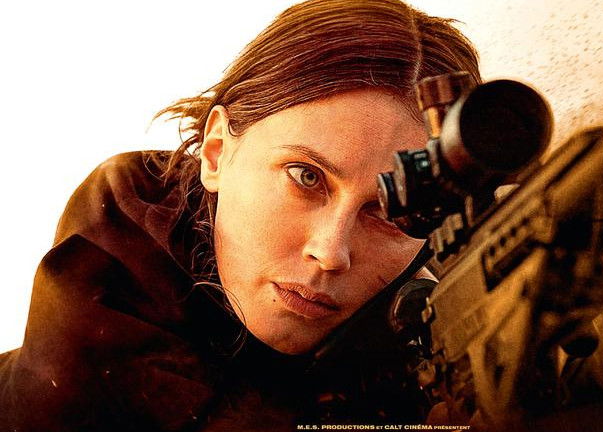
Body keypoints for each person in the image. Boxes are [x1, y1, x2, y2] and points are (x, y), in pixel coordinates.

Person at [0, 0, 481, 430]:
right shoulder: (115, 255)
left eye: (392, 212)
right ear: (216, 152)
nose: (331, 252)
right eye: (306, 177)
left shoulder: (428, 322)